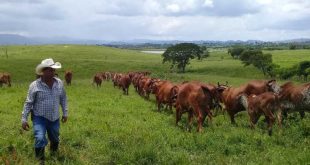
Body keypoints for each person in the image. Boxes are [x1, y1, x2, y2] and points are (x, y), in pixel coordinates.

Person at [21, 58, 68, 163]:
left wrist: (65, 113)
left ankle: (54, 155)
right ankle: (40, 161)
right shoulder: (35, 85)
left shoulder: (59, 83)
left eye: (53, 70)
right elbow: (28, 103)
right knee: (40, 137)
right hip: (39, 117)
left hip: (54, 117)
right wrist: (24, 119)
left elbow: (63, 98)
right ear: (43, 71)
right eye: (50, 70)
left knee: (55, 138)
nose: (52, 72)